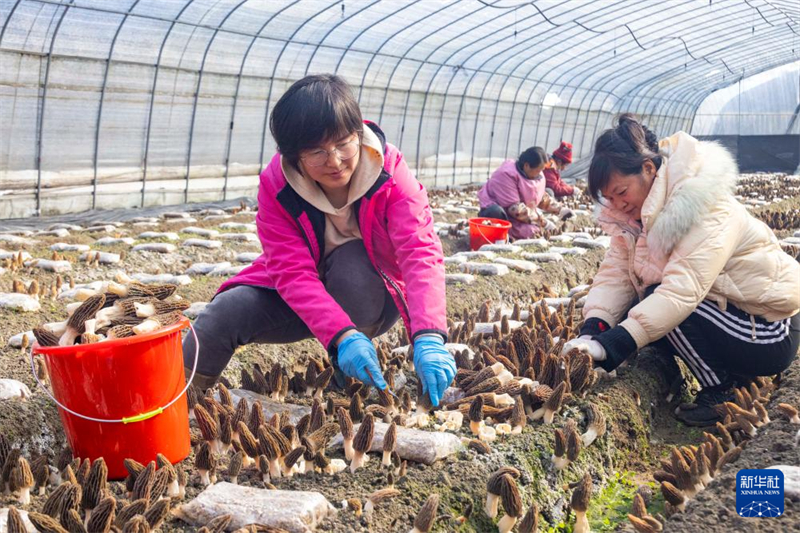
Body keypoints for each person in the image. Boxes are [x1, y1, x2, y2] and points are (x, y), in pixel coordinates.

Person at [183, 74, 455, 407]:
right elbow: (292, 273)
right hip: (306, 293)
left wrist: (429, 334)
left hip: (373, 294)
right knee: (225, 312)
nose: (335, 160)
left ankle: (355, 378)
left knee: (351, 264)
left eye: (343, 143)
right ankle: (179, 401)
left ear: (357, 133)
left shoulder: (389, 172)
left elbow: (418, 249)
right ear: (294, 156)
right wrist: (340, 335)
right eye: (317, 152)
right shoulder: (278, 187)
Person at [563, 114, 800, 426]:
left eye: (621, 192)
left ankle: (721, 390)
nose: (617, 204)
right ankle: (719, 371)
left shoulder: (705, 206)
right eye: (609, 198)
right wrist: (595, 329)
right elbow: (616, 274)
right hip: (731, 314)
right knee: (642, 304)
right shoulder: (636, 218)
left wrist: (612, 347)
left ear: (648, 169)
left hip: (769, 328)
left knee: (660, 302)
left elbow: (679, 294)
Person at [477, 147, 570, 240]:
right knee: (496, 212)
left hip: (522, 215)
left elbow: (539, 196)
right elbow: (515, 209)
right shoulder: (506, 175)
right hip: (504, 213)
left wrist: (560, 210)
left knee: (533, 231)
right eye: (538, 170)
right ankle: (500, 236)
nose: (540, 173)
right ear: (526, 165)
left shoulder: (536, 175)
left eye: (542, 170)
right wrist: (543, 222)